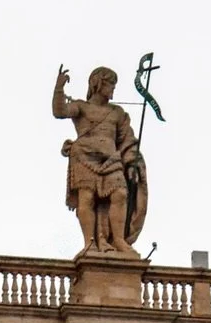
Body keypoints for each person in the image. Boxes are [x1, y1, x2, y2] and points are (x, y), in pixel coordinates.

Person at [54, 65, 146, 255]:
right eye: (110, 84)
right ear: (98, 83)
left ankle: (119, 240)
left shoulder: (118, 113)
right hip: (84, 158)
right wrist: (59, 88)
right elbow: (60, 111)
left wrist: (132, 161)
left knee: (120, 194)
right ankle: (90, 243)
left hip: (111, 160)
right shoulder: (81, 106)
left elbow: (127, 139)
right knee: (86, 199)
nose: (113, 89)